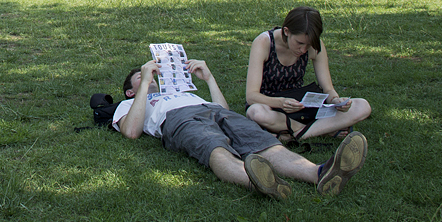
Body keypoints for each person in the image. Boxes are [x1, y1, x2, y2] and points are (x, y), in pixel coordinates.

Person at [115, 56, 368, 199]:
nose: (152, 75)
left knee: (264, 142)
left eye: (152, 73)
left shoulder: (184, 91)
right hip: (179, 119)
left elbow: (223, 108)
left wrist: (209, 78)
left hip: (214, 111)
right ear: (129, 90)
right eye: (142, 76)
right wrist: (145, 84)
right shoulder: (129, 103)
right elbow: (131, 132)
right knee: (214, 147)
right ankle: (257, 180)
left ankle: (320, 173)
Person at [245, 6, 372, 143]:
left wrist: (336, 100)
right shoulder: (264, 43)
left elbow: (327, 88)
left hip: (301, 105)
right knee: (256, 112)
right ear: (286, 31)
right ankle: (319, 130)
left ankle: (294, 134)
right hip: (272, 105)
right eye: (299, 43)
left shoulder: (315, 46)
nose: (303, 49)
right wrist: (281, 102)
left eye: (308, 45)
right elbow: (251, 96)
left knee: (362, 106)